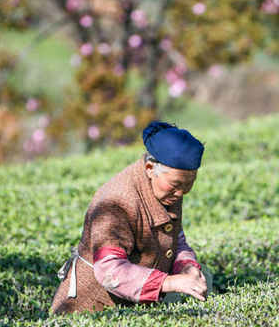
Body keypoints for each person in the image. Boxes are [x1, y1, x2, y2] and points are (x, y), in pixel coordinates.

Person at [51, 121, 212, 314]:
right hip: (94, 310)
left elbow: (176, 239)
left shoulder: (167, 189)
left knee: (206, 276)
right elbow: (110, 269)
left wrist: (185, 265)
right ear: (150, 168)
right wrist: (170, 282)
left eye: (189, 184)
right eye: (176, 184)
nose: (181, 193)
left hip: (136, 305)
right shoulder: (117, 200)